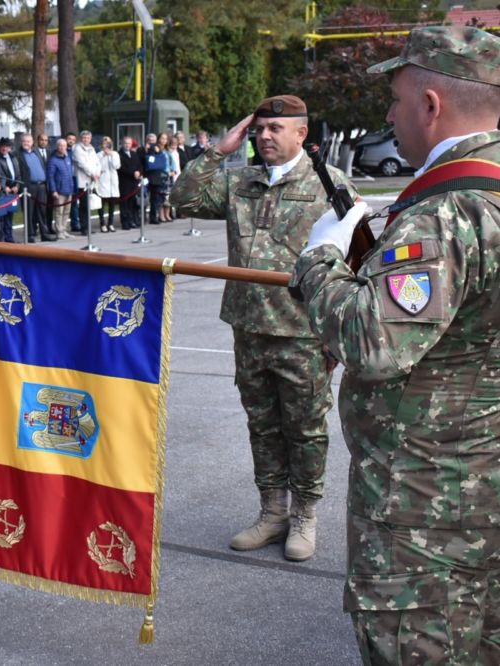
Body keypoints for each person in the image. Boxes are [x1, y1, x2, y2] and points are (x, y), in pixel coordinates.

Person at [289, 26, 500, 663]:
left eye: (396, 99)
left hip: (426, 507)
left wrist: (320, 258)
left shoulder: (448, 212)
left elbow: (370, 339)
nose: (388, 114)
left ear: (431, 105)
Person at [171, 94, 357, 562]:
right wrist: (219, 149)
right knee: (263, 426)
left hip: (302, 330)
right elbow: (182, 198)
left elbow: (356, 259)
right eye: (260, 128)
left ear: (301, 134)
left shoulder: (329, 185)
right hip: (248, 328)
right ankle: (272, 512)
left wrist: (337, 332)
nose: (265, 136)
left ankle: (304, 516)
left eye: (276, 128)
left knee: (306, 429)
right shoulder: (240, 181)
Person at [72, 130, 101, 235]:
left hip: (92, 181)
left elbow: (97, 162)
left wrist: (97, 173)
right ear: (81, 138)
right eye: (84, 138)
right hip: (83, 181)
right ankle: (84, 228)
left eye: (88, 138)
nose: (86, 140)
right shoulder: (77, 149)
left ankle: (88, 226)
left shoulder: (92, 149)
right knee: (83, 206)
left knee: (89, 205)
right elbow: (82, 164)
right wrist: (92, 173)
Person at [46, 138, 74, 240]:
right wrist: (53, 190)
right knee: (59, 212)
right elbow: (50, 177)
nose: (62, 147)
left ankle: (64, 230)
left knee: (67, 212)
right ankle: (59, 232)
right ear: (57, 147)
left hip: (68, 190)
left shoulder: (67, 158)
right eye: (60, 145)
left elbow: (70, 173)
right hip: (59, 191)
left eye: (64, 145)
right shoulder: (53, 160)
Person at [0, 137, 21, 243]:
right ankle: (1, 238)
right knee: (1, 216)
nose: (5, 148)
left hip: (13, 190)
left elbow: (18, 174)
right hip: (2, 191)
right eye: (3, 146)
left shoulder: (13, 157)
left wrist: (17, 186)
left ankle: (9, 237)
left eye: (7, 146)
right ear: (0, 146)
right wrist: (3, 186)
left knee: (10, 215)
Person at [95, 136, 120, 232]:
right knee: (102, 203)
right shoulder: (98, 155)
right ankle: (102, 223)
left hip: (113, 181)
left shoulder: (115, 154)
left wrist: (111, 155)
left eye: (108, 143)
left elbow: (116, 166)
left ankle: (111, 223)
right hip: (103, 181)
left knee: (112, 204)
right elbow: (98, 166)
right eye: (105, 143)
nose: (106, 145)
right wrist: (104, 156)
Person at [117, 136, 143, 230]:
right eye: (125, 143)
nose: (127, 145)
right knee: (124, 204)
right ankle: (125, 222)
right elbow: (120, 168)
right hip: (124, 182)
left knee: (133, 204)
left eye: (129, 143)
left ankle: (132, 220)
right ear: (122, 144)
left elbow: (139, 165)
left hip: (134, 183)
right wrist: (133, 173)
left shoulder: (134, 154)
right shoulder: (119, 154)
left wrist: (139, 172)